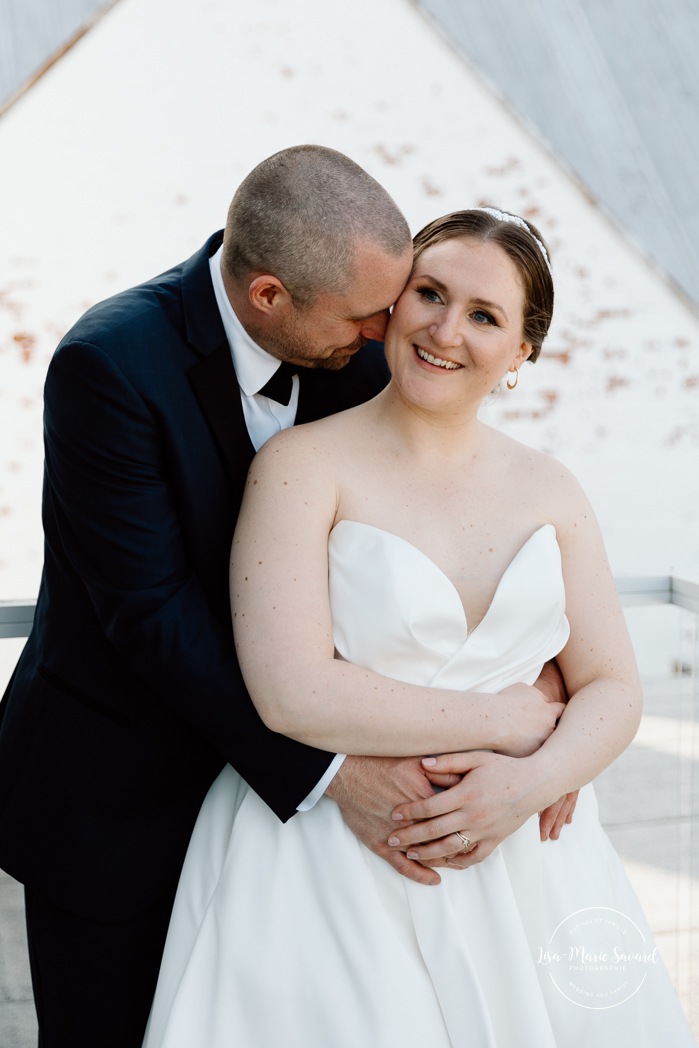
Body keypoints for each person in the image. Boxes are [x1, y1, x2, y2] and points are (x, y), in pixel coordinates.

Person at [0, 149, 565, 1048]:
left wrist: (543, 702)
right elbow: (149, 614)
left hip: (294, 840)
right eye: (368, 313)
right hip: (119, 793)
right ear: (269, 297)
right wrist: (336, 774)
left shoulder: (359, 346)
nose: (394, 331)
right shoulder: (106, 366)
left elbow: (435, 523)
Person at [142, 208, 695, 1047]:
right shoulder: (301, 466)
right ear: (390, 308)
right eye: (428, 294)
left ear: (521, 352)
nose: (445, 329)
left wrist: (529, 783)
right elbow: (291, 691)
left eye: (484, 315)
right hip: (326, 860)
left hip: (527, 856)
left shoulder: (550, 488)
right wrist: (513, 720)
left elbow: (613, 687)